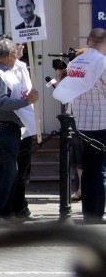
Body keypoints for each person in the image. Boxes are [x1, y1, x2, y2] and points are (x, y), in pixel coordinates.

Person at [0, 38, 39, 223]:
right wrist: (26, 101)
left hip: (7, 126)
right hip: (1, 126)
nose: (16, 58)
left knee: (9, 171)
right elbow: (1, 102)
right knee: (6, 171)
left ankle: (3, 211)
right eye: (14, 55)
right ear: (10, 55)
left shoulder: (2, 72)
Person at [55, 28, 106, 223]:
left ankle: (88, 212)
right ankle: (95, 213)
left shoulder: (77, 61)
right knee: (97, 169)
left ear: (88, 40)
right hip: (99, 121)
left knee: (85, 168)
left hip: (77, 122)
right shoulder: (102, 62)